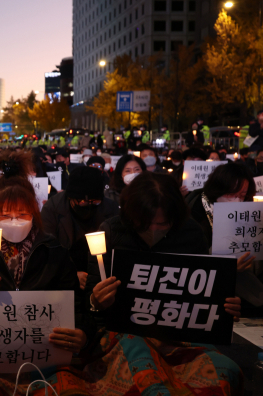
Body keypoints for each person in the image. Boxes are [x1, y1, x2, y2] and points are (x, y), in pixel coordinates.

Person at [58, 167, 244, 395]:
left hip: (180, 338)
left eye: (162, 224)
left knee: (223, 372)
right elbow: (90, 309)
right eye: (145, 224)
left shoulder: (191, 234)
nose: (153, 230)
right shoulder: (111, 233)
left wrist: (223, 308)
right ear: (131, 216)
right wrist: (96, 301)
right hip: (125, 336)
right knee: (145, 377)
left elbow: (204, 293)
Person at [0, 151, 96, 395]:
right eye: (5, 215)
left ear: (34, 214)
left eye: (22, 215)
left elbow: (76, 305)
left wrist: (82, 335)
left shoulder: (53, 249)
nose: (14, 221)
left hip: (46, 357)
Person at [41, 166, 119, 290]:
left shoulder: (111, 209)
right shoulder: (52, 209)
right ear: (70, 197)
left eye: (95, 202)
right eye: (82, 201)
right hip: (63, 278)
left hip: (101, 274)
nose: (88, 205)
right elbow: (46, 252)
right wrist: (70, 274)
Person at [186, 161, 255, 249]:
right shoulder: (193, 215)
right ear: (217, 190)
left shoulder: (248, 210)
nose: (237, 201)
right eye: (230, 194)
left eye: (242, 195)